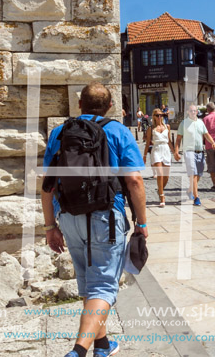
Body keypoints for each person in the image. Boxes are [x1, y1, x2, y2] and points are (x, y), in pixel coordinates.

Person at [42, 83, 147, 357]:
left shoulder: (59, 133)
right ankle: (78, 351)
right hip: (105, 217)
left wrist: (50, 226)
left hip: (68, 216)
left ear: (79, 106)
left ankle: (103, 345)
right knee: (102, 286)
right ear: (110, 106)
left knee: (91, 284)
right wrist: (143, 224)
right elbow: (134, 180)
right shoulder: (117, 131)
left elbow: (47, 185)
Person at [175, 104, 215, 206]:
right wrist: (176, 151)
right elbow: (178, 138)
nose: (193, 112)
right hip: (189, 151)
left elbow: (206, 134)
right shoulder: (184, 123)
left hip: (200, 151)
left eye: (195, 111)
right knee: (193, 174)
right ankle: (196, 197)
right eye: (191, 111)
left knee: (199, 174)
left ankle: (190, 190)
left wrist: (213, 142)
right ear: (188, 112)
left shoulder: (200, 123)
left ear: (197, 112)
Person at [143, 108, 178, 207]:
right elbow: (147, 143)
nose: (159, 117)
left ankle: (160, 189)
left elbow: (169, 141)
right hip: (156, 150)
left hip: (166, 149)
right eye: (157, 115)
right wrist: (145, 156)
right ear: (153, 117)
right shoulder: (151, 128)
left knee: (166, 176)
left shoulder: (167, 126)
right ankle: (162, 196)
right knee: (160, 174)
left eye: (161, 115)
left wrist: (175, 152)